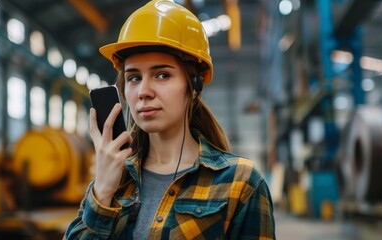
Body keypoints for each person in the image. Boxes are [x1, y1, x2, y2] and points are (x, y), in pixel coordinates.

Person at [64, 0, 275, 239]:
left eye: (162, 75)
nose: (144, 91)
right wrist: (102, 192)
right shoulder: (113, 179)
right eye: (133, 78)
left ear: (193, 85)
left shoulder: (240, 182)